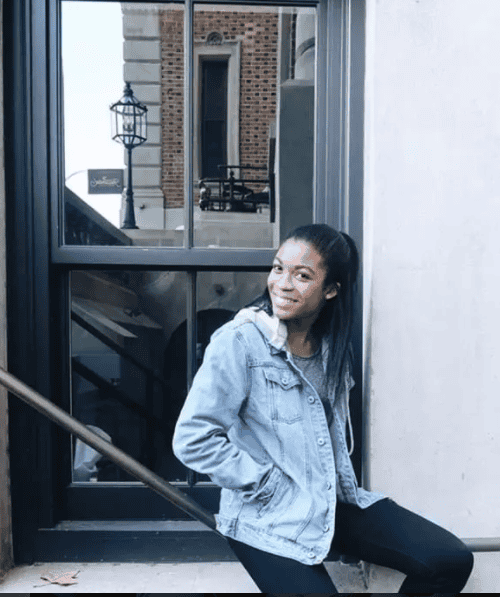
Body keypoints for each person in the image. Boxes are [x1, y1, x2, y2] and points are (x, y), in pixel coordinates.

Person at [173, 224, 474, 594]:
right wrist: (267, 486)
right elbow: (193, 438)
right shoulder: (240, 342)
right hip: (267, 516)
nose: (283, 284)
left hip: (329, 501)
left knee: (449, 560)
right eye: (278, 268)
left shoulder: (331, 349)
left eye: (302, 276)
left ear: (331, 290)